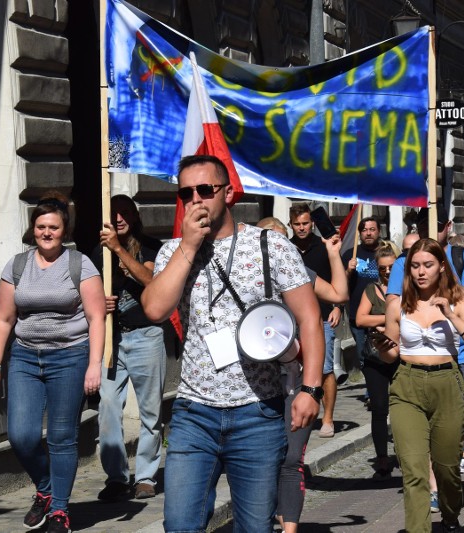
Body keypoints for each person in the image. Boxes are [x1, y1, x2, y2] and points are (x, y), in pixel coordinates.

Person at [141, 155, 323, 533]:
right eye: (185, 193)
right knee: (179, 524)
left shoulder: (271, 246)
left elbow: (309, 318)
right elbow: (155, 308)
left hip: (257, 413)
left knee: (255, 527)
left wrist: (311, 389)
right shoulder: (171, 252)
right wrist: (188, 247)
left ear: (228, 193)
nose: (195, 200)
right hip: (195, 413)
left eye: (204, 190)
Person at [0, 194, 105, 532]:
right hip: (24, 357)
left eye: (53, 227)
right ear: (32, 229)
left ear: (64, 231)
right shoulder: (17, 266)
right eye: (41, 227)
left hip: (70, 357)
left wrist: (95, 364)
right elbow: (4, 320)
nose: (46, 232)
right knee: (21, 435)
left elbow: (96, 318)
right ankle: (46, 489)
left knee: (62, 437)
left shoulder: (80, 264)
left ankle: (60, 512)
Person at [373, 238, 464, 533]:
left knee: (447, 468)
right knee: (413, 471)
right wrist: (381, 345)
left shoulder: (458, 301)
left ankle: (450, 516)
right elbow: (391, 355)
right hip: (406, 385)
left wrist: (450, 314)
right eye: (414, 266)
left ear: (441, 268)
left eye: (428, 265)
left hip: (447, 383)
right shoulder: (397, 303)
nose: (421, 272)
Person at [258, 217, 347, 533]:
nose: (276, 246)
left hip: (295, 381)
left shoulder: (299, 275)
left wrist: (334, 253)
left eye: (282, 240)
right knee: (265, 461)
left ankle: (290, 529)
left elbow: (338, 294)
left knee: (292, 458)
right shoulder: (243, 276)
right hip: (254, 386)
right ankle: (267, 517)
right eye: (269, 239)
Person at [92, 195, 167, 503]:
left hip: (146, 335)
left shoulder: (151, 246)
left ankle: (147, 477)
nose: (119, 218)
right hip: (112, 338)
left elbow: (151, 280)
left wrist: (119, 250)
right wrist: (100, 301)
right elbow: (88, 289)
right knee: (108, 406)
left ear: (134, 217)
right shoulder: (97, 253)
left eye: (125, 213)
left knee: (150, 411)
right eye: (113, 213)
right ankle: (116, 478)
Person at [290, 203, 342, 438]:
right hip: (292, 320)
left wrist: (339, 307)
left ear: (312, 223)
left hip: (322, 316)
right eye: (297, 224)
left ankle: (327, 417)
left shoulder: (324, 248)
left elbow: (339, 282)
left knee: (324, 368)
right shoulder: (286, 249)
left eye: (305, 223)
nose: (301, 228)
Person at [355, 244, 400, 480]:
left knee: (403, 407)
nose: (388, 272)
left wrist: (387, 323)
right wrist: (388, 319)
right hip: (375, 357)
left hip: (401, 356)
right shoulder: (371, 289)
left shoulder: (406, 288)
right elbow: (360, 318)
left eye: (392, 267)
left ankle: (403, 453)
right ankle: (382, 457)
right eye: (383, 268)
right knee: (379, 407)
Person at [342, 216, 382, 378]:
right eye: (364, 230)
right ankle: (370, 387)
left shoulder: (385, 252)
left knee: (381, 352)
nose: (368, 233)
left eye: (372, 229)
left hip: (380, 313)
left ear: (379, 232)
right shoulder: (350, 254)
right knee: (362, 354)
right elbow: (339, 284)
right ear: (359, 233)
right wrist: (348, 271)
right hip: (357, 313)